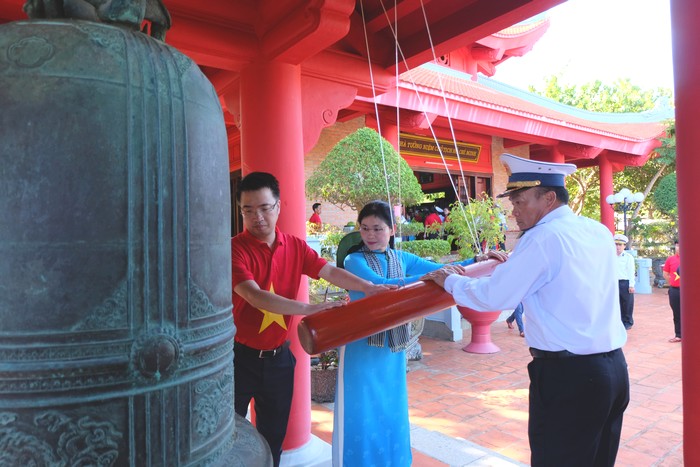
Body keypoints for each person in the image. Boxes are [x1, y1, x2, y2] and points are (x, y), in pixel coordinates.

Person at [422, 154, 629, 467]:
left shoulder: (543, 237)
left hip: (570, 378)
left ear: (548, 198)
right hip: (613, 370)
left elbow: (495, 296)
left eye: (519, 202)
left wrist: (451, 282)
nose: (514, 212)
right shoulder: (596, 230)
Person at [231, 173, 391, 466]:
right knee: (225, 436)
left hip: (279, 360)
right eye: (248, 210)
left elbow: (329, 271)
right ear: (240, 210)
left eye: (265, 207)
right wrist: (310, 309)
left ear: (278, 206)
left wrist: (368, 287)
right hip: (238, 360)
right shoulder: (234, 249)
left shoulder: (294, 245)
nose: (258, 217)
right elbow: (254, 296)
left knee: (272, 439)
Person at [332, 199, 504, 467]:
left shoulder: (401, 258)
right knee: (361, 411)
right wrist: (429, 277)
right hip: (361, 347)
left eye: (377, 229)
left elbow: (442, 268)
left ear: (391, 229)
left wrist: (477, 260)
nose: (370, 235)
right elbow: (381, 286)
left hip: (392, 349)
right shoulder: (354, 260)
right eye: (365, 229)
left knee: (391, 410)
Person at [614, 233, 636, 330]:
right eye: (616, 244)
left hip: (625, 282)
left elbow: (631, 271)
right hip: (613, 283)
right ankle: (617, 321)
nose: (618, 247)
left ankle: (628, 322)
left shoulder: (628, 257)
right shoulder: (610, 256)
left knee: (627, 303)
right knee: (615, 303)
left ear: (624, 246)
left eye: (620, 245)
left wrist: (631, 285)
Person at [663, 240, 681, 343]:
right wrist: (673, 283)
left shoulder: (691, 258)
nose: (678, 247)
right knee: (677, 313)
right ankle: (678, 335)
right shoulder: (670, 259)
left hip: (689, 292)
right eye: (677, 245)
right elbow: (666, 274)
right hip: (675, 291)